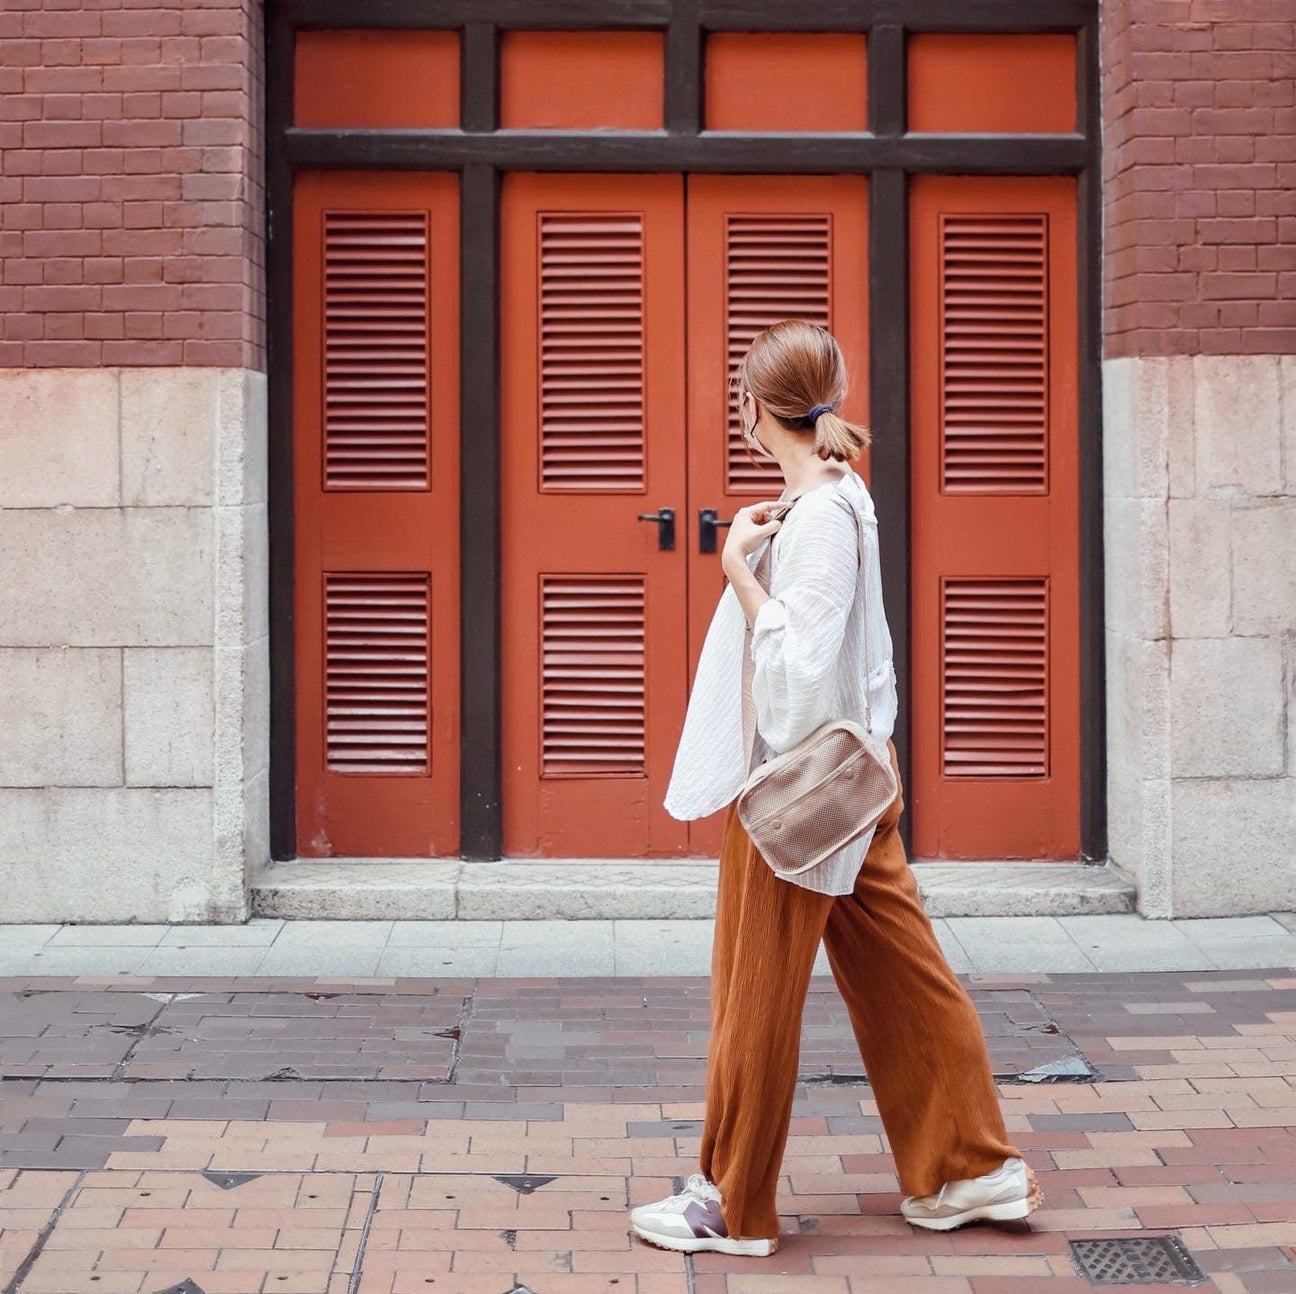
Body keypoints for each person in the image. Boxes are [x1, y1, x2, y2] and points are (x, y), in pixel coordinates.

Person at [629, 320, 1042, 1258]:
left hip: (800, 790)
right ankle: (970, 1169)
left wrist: (736, 571)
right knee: (905, 978)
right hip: (853, 781)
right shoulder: (838, 493)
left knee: (754, 994)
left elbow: (803, 671)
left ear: (751, 410)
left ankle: (729, 1204)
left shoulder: (818, 515)